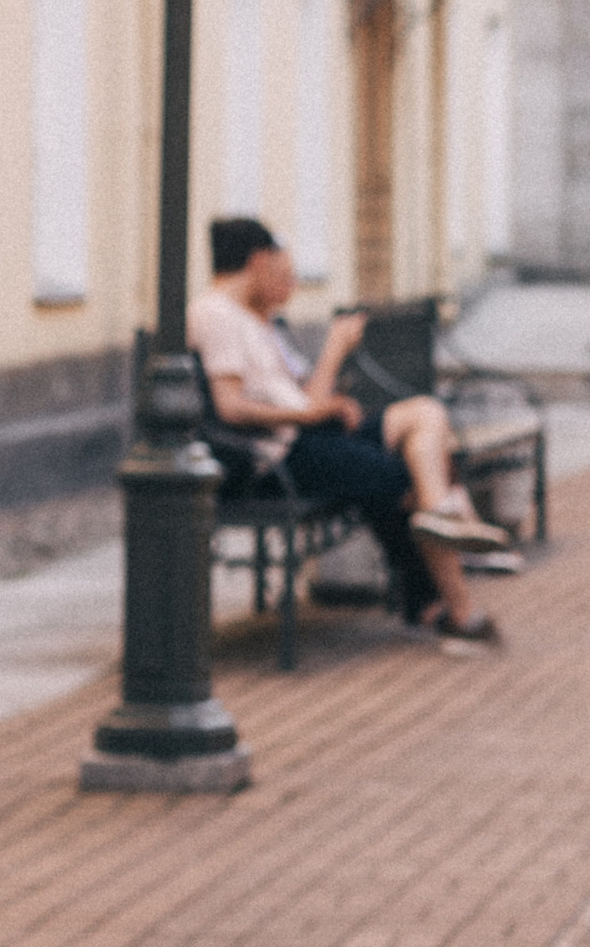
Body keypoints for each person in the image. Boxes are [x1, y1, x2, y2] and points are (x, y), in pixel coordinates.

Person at [188, 217, 513, 643]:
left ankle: (443, 523)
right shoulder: (215, 314)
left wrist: (327, 401)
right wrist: (321, 394)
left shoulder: (255, 318)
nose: (288, 283)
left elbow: (301, 398)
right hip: (279, 454)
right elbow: (231, 408)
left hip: (305, 435)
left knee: (425, 414)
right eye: (281, 270)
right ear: (258, 260)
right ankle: (454, 597)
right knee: (402, 475)